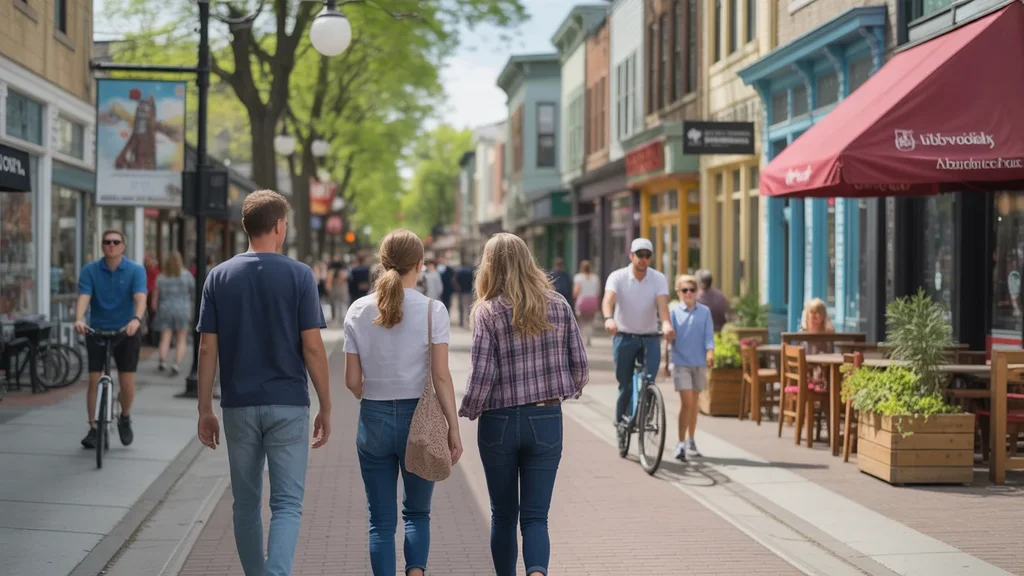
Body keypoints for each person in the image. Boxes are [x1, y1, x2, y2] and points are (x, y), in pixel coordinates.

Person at [195, 190, 332, 576]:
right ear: (277, 226)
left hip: (238, 404)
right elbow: (313, 348)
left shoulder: (219, 276)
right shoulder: (300, 275)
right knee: (287, 503)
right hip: (288, 401)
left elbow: (207, 349)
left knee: (245, 503)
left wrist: (205, 408)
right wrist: (327, 403)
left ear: (244, 227)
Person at [460, 233, 589, 576]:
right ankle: (537, 572)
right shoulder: (558, 304)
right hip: (546, 418)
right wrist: (561, 391)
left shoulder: (487, 312)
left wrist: (468, 409)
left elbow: (482, 375)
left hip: (499, 421)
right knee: (536, 517)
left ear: (488, 267)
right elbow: (580, 366)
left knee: (503, 515)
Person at [344, 230, 462, 576]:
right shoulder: (432, 311)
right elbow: (441, 376)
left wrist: (369, 394)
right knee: (417, 513)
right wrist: (453, 427)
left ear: (382, 263)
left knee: (380, 521)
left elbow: (352, 381)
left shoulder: (358, 310)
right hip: (420, 420)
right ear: (420, 265)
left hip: (374, 418)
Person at [74, 229, 148, 449]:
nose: (111, 245)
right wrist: (79, 319)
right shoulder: (90, 270)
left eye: (116, 242)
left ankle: (124, 416)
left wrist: (136, 319)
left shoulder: (135, 270)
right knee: (94, 379)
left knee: (127, 385)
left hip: (127, 332)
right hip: (97, 330)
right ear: (102, 246)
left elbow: (140, 297)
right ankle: (93, 429)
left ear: (123, 246)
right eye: (107, 242)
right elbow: (84, 297)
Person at [602, 238, 674, 426]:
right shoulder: (617, 277)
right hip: (624, 336)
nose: (643, 259)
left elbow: (662, 306)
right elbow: (608, 300)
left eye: (647, 255)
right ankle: (621, 424)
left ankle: (646, 417)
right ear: (631, 255)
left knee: (650, 381)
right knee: (625, 385)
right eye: (639, 255)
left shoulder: (658, 278)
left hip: (650, 337)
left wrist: (666, 323)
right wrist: (609, 319)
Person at [668, 274, 715, 460]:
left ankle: (691, 439)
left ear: (697, 292)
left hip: (699, 363)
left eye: (692, 290)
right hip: (681, 363)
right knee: (686, 403)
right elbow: (669, 338)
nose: (688, 293)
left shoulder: (705, 312)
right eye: (684, 290)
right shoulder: (673, 312)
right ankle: (680, 444)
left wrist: (710, 352)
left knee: (694, 405)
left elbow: (708, 335)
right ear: (678, 292)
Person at [152, 251, 195, 375]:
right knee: (181, 339)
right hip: (183, 310)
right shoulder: (187, 276)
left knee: (165, 338)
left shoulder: (161, 277)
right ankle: (176, 364)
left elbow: (155, 298)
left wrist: (155, 308)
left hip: (165, 309)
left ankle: (162, 361)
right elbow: (193, 294)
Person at [573, 259, 600, 345]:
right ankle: (588, 338)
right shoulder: (595, 277)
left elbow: (576, 291)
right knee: (590, 321)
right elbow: (598, 291)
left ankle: (582, 338)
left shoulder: (578, 277)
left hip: (582, 301)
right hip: (592, 301)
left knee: (581, 321)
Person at [327, 257, 349, 326]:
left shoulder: (331, 271)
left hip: (335, 289)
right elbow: (343, 279)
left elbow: (329, 281)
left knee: (335, 304)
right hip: (341, 289)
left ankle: (336, 319)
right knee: (341, 304)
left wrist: (330, 286)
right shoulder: (343, 270)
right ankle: (341, 319)